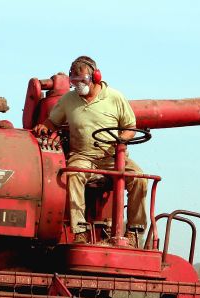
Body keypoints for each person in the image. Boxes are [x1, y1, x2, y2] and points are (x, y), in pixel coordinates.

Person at [33, 56, 147, 246]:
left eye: (82, 81)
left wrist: (121, 142)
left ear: (95, 76)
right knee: (74, 174)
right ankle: (80, 231)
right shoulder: (68, 100)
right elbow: (53, 121)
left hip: (113, 157)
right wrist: (44, 127)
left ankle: (134, 230)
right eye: (74, 82)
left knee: (140, 179)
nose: (78, 86)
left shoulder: (115, 97)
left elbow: (130, 127)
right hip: (83, 156)